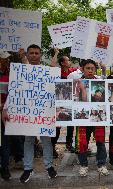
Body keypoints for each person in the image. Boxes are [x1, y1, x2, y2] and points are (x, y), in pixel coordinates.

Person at [4, 44, 57, 183]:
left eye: (36, 53)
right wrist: (5, 108)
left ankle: (49, 166)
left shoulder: (46, 71)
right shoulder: (20, 72)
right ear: (27, 55)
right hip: (27, 114)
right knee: (28, 140)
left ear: (40, 55)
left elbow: (53, 84)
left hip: (44, 112)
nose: (34, 55)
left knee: (46, 140)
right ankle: (28, 168)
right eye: (31, 53)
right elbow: (14, 91)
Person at [74, 59, 109, 176]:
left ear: (95, 70)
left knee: (100, 141)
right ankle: (83, 165)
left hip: (97, 116)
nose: (90, 70)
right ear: (82, 69)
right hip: (82, 117)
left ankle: (101, 164)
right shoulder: (77, 83)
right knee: (82, 141)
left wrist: (103, 68)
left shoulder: (100, 82)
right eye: (87, 68)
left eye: (92, 68)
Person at [0, 51, 24, 180]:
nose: (5, 61)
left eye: (6, 59)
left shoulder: (11, 74)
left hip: (7, 112)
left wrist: (4, 106)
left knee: (5, 140)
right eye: (3, 59)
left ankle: (5, 167)